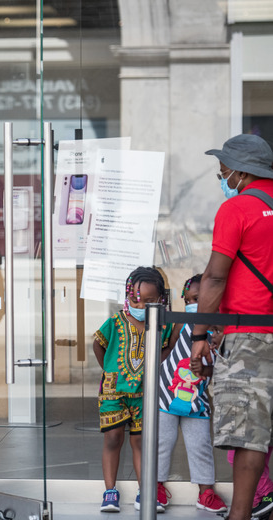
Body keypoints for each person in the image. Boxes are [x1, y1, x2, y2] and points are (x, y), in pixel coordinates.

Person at [191, 134, 273, 520]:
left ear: (242, 171)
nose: (220, 173)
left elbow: (214, 278)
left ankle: (239, 515)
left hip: (249, 336)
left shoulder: (237, 209)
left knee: (248, 434)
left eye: (223, 167)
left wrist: (200, 336)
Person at [93, 266, 173, 513]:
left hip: (143, 394)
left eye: (150, 301)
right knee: (113, 438)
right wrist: (109, 370)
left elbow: (166, 350)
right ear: (127, 297)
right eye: (135, 300)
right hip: (113, 392)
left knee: (140, 442)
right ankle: (109, 491)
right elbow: (98, 345)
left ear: (161, 300)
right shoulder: (115, 322)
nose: (142, 305)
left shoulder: (163, 326)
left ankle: (145, 492)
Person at [156, 274, 227, 513]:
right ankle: (155, 487)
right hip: (166, 394)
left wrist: (205, 369)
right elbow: (170, 349)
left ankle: (205, 492)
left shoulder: (219, 331)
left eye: (198, 298)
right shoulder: (181, 323)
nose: (192, 305)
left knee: (200, 446)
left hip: (197, 400)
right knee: (162, 443)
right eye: (188, 300)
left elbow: (221, 367)